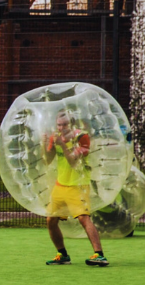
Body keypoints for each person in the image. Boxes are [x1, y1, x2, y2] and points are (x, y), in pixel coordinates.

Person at [43, 111, 109, 267]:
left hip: (78, 184)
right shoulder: (55, 137)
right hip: (61, 185)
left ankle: (99, 254)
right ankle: (62, 254)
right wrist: (44, 144)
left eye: (65, 124)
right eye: (59, 125)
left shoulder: (81, 137)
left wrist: (63, 145)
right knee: (50, 220)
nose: (62, 127)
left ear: (71, 124)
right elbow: (48, 160)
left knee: (83, 218)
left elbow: (73, 161)